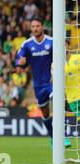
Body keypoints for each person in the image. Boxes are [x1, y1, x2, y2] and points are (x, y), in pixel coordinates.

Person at [15, 17, 71, 148]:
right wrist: (20, 62)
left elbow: (63, 55)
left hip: (52, 82)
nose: (35, 29)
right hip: (38, 86)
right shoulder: (27, 44)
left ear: (42, 27)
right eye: (33, 26)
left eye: (37, 26)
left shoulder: (52, 42)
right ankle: (52, 136)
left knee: (59, 103)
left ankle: (63, 136)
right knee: (45, 113)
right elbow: (18, 59)